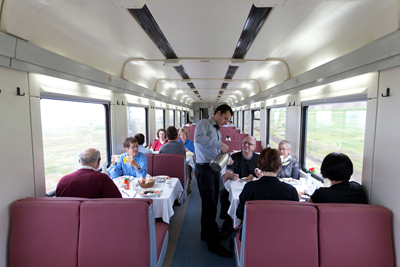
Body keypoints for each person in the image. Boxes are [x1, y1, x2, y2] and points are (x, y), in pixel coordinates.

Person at [194, 104, 233, 258]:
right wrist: (220, 144)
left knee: (211, 203)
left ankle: (205, 232)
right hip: (204, 170)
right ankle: (213, 244)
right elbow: (198, 139)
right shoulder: (203, 123)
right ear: (218, 113)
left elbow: (213, 149)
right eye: (225, 118)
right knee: (210, 206)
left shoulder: (217, 131)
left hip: (213, 169)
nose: (226, 122)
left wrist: (225, 157)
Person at [236, 147, 299, 221]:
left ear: (260, 166)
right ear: (279, 167)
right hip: (282, 230)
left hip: (255, 228)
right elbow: (295, 215)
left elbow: (240, 214)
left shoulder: (249, 187)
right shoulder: (290, 191)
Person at [219, 136, 262, 236]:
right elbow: (228, 172)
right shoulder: (235, 157)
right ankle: (226, 221)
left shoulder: (258, 158)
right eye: (244, 143)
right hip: (237, 184)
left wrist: (260, 174)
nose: (246, 145)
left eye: (249, 144)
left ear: (254, 147)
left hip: (253, 186)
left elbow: (263, 173)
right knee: (223, 194)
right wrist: (232, 175)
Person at [56, 148, 121, 198]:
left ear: (79, 161)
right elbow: (117, 201)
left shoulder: (63, 180)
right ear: (98, 161)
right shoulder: (102, 179)